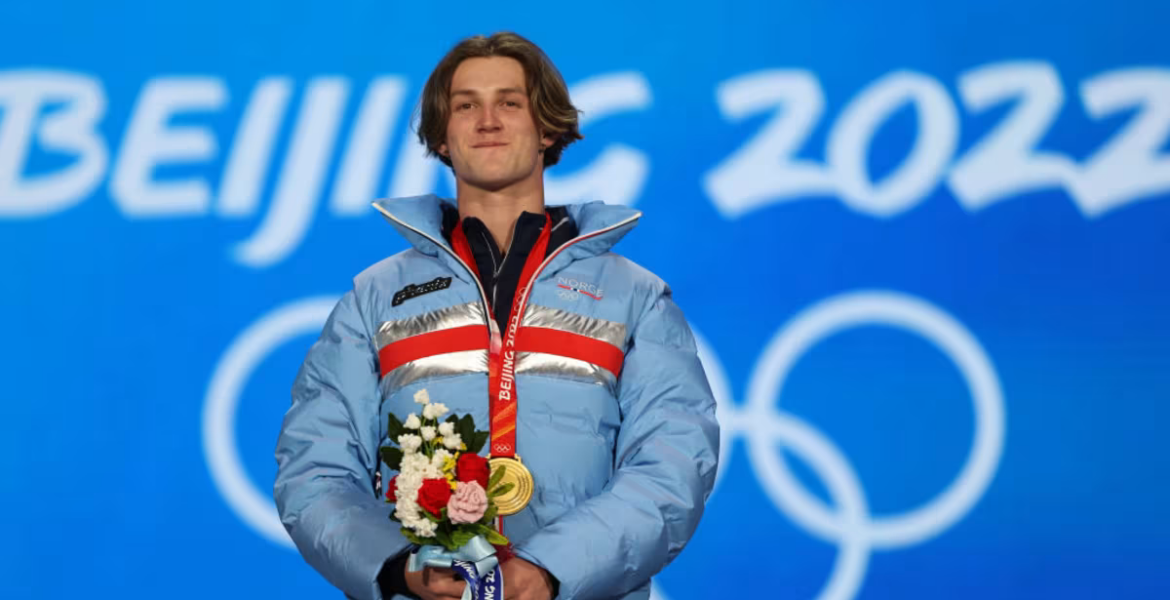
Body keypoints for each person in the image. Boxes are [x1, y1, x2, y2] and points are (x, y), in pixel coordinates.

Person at [274, 32, 719, 600]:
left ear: (547, 127)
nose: (488, 121)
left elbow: (672, 469)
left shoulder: (634, 296)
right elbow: (315, 470)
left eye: (510, 102)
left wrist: (548, 571)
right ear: (441, 135)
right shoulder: (374, 298)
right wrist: (400, 568)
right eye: (466, 106)